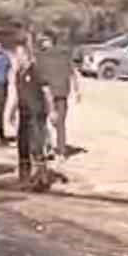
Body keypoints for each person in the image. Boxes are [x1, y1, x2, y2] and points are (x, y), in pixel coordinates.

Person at [13, 44, 54, 190]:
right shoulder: (19, 73)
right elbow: (19, 94)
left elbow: (47, 91)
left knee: (36, 145)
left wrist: (52, 110)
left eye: (20, 55)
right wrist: (12, 111)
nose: (18, 58)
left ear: (27, 55)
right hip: (24, 113)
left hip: (37, 113)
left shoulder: (36, 70)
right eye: (16, 55)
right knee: (22, 145)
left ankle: (42, 179)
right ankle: (24, 178)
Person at [34, 33, 79, 161]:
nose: (42, 43)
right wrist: (77, 90)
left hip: (47, 92)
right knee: (60, 123)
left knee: (42, 121)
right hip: (61, 92)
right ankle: (60, 151)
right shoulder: (64, 56)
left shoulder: (41, 57)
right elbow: (73, 73)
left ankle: (47, 149)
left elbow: (37, 76)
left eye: (43, 40)